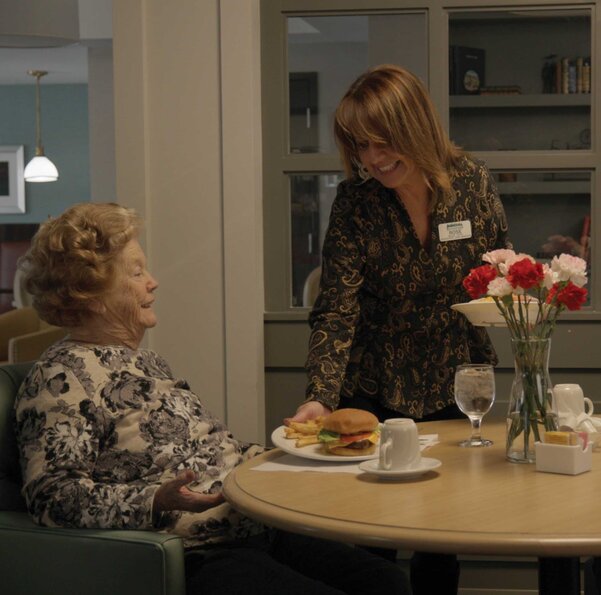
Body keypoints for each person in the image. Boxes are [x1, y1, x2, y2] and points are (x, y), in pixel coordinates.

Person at [14, 203, 410, 595]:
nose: (153, 282)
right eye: (136, 273)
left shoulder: (147, 362)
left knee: (385, 580)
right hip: (196, 552)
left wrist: (304, 456)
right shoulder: (60, 378)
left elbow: (215, 453)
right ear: (92, 295)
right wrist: (155, 498)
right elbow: (53, 496)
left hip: (257, 527)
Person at [286, 65, 511, 595]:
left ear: (416, 129)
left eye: (383, 143)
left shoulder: (473, 182)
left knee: (441, 533)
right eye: (361, 146)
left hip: (455, 384)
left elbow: (497, 271)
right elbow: (336, 308)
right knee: (374, 537)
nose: (373, 159)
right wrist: (321, 396)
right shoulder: (357, 205)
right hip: (374, 386)